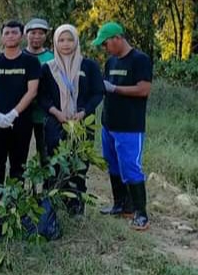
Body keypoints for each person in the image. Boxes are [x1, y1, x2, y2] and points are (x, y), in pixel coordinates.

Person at [38, 24, 104, 215]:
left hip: (82, 125)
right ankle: (52, 207)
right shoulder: (48, 68)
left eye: (69, 39)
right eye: (61, 40)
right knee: (54, 163)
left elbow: (98, 92)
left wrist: (83, 112)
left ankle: (75, 207)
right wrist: (57, 113)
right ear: (55, 42)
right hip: (55, 124)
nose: (66, 44)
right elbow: (41, 96)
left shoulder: (89, 66)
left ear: (76, 41)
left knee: (79, 165)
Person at [93, 22, 153, 230]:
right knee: (112, 163)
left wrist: (115, 88)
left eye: (106, 43)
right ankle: (121, 205)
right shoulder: (111, 62)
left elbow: (143, 89)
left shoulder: (140, 60)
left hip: (130, 125)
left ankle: (141, 213)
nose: (104, 47)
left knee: (130, 166)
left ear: (117, 38)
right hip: (109, 123)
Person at [0, 21, 42, 199]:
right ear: (2, 37)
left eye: (14, 33)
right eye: (7, 33)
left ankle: (14, 202)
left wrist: (14, 113)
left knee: (18, 164)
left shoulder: (31, 62)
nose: (10, 36)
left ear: (22, 35)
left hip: (21, 121)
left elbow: (32, 91)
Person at [24, 18, 54, 164]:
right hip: (23, 113)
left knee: (45, 154)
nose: (36, 36)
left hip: (45, 114)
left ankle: (48, 186)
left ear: (46, 35)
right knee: (20, 153)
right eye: (33, 32)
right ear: (26, 35)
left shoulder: (52, 58)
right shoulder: (20, 56)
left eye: (41, 33)